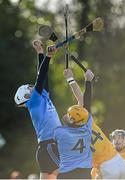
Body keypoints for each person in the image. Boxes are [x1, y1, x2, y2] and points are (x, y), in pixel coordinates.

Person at [14, 40, 61, 179]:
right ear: (26, 95)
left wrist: (40, 53)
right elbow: (40, 78)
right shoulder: (33, 102)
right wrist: (48, 57)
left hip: (47, 148)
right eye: (29, 88)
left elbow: (43, 77)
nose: (32, 87)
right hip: (50, 147)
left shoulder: (41, 97)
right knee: (71, 170)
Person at [53, 68, 94, 179]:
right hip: (85, 173)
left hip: (66, 174)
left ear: (71, 120)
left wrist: (72, 79)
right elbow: (85, 102)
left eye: (68, 114)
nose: (67, 114)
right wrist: (87, 81)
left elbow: (84, 102)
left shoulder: (59, 132)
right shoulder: (87, 126)